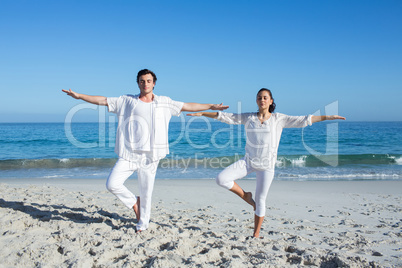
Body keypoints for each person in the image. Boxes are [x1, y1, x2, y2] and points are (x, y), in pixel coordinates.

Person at [62, 69, 228, 232]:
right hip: (129, 153)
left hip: (151, 155)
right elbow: (103, 100)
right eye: (142, 81)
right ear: (138, 83)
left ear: (154, 84)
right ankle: (134, 202)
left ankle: (142, 224)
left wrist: (211, 106)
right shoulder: (127, 100)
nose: (145, 84)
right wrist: (79, 96)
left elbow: (187, 106)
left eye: (148, 81)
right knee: (112, 184)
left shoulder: (164, 102)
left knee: (146, 192)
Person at [188, 88, 345, 238]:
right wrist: (203, 113)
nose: (262, 100)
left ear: (271, 101)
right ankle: (246, 196)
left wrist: (328, 117)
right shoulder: (249, 117)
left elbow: (305, 120)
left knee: (261, 200)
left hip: (267, 166)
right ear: (256, 100)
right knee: (221, 179)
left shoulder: (279, 119)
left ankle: (255, 234)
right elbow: (226, 117)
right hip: (248, 162)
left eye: (265, 97)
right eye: (259, 97)